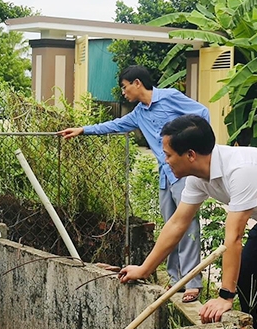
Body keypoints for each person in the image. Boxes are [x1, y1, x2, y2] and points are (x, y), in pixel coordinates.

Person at [118, 114, 257, 329]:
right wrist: (145, 269)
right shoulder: (197, 177)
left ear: (190, 154)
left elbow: (233, 236)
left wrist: (225, 296)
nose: (165, 161)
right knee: (248, 274)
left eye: (168, 155)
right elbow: (177, 224)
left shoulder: (240, 169)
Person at [58, 65, 210, 303]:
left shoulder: (169, 96)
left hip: (184, 173)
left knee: (187, 225)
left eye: (124, 86)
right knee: (170, 225)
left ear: (137, 83)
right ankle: (174, 279)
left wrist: (194, 148)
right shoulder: (139, 113)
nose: (123, 92)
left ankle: (192, 282)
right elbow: (114, 125)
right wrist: (83, 130)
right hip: (165, 174)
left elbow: (202, 112)